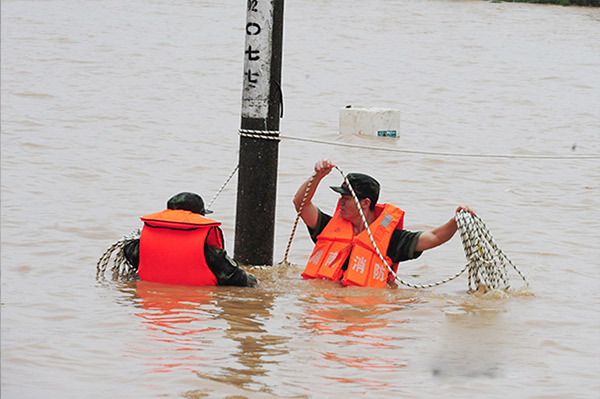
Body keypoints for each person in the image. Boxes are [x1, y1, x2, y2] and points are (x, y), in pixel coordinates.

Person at [293, 159, 474, 288]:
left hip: (364, 312)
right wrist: (317, 176)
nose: (340, 202)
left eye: (346, 198)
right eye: (341, 197)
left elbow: (433, 237)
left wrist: (455, 221)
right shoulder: (329, 226)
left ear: (365, 203)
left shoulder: (390, 240)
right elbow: (300, 204)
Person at [123, 192, 258, 287]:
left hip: (153, 307)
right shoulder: (211, 255)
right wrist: (254, 280)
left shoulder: (139, 247)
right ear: (200, 216)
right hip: (196, 308)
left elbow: (128, 251)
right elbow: (238, 279)